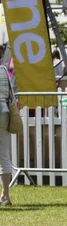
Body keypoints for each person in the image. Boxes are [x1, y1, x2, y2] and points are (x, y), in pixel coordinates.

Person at [0, 60, 11, 206]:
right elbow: (11, 93)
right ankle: (5, 195)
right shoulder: (3, 69)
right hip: (3, 111)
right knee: (4, 155)